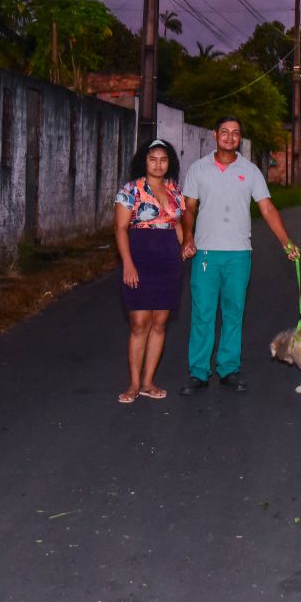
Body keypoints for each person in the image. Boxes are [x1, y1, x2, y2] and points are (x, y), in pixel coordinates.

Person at [179, 115, 299, 395]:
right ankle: (198, 372)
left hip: (239, 255)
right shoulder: (198, 169)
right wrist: (187, 236)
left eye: (235, 133)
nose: (230, 137)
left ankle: (228, 369)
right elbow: (189, 208)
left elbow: (267, 208)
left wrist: (286, 242)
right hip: (206, 253)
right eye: (225, 132)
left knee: (234, 313)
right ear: (214, 135)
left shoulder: (251, 171)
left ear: (239, 139)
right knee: (202, 314)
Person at [114, 138, 185, 404]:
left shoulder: (175, 190)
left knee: (159, 323)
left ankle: (148, 382)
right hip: (139, 259)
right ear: (144, 161)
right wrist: (128, 264)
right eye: (153, 159)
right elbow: (120, 229)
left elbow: (177, 225)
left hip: (168, 261)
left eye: (163, 159)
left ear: (170, 164)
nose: (158, 164)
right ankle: (133, 384)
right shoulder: (130, 190)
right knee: (139, 323)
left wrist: (185, 246)